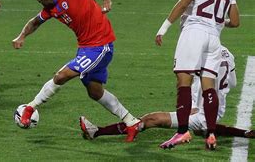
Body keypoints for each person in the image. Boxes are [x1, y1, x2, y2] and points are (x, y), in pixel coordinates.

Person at [12, 0, 140, 141]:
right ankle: (131, 122)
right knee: (95, 92)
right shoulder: (50, 9)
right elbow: (35, 22)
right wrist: (21, 36)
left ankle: (30, 107)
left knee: (61, 76)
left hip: (101, 46)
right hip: (86, 49)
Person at [154, 0, 240, 150]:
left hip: (194, 32)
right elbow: (235, 21)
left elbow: (184, 3)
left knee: (184, 80)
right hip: (215, 38)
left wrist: (163, 29)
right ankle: (211, 134)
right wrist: (219, 22)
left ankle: (182, 132)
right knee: (209, 85)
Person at [80, 46, 255, 141]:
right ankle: (245, 133)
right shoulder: (227, 54)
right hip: (216, 108)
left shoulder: (200, 56)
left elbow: (186, 83)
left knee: (150, 119)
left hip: (200, 112)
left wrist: (192, 106)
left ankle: (97, 132)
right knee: (204, 129)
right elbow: (232, 83)